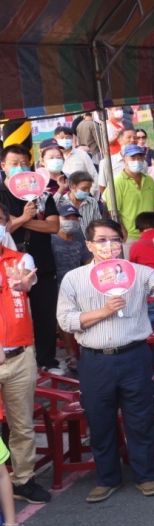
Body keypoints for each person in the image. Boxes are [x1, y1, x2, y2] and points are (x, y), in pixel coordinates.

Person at [56, 219, 154, 503]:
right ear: (88, 245)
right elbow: (65, 320)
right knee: (100, 421)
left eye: (114, 239)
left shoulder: (138, 273)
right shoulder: (74, 278)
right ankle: (107, 478)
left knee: (140, 418)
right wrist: (102, 312)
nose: (109, 246)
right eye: (101, 240)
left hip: (134, 356)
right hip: (95, 360)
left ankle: (146, 475)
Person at [0, 206, 52, 504]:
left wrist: (25, 284)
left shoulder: (20, 261)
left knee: (22, 424)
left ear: (7, 225)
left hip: (20, 354)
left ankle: (23, 479)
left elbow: (29, 281)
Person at [1, 145, 61, 373]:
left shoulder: (42, 193)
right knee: (14, 314)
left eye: (24, 163)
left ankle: (47, 360)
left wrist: (20, 220)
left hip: (42, 262)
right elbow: (2, 227)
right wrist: (24, 217)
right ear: (3, 166)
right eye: (14, 163)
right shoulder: (1, 194)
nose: (20, 167)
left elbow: (53, 226)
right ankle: (18, 360)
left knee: (45, 313)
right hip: (10, 267)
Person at [110, 144, 154, 240]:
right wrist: (122, 229)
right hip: (130, 235)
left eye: (140, 157)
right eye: (133, 158)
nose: (137, 161)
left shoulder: (149, 180)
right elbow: (113, 210)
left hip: (152, 232)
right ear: (124, 159)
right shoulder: (118, 182)